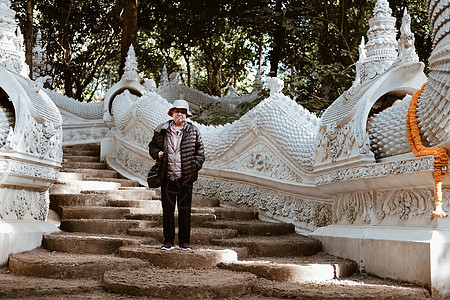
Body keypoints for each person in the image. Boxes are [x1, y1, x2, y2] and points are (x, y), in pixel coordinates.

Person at [148, 99, 205, 251]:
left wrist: (194, 167)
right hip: (167, 177)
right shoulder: (162, 129)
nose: (180, 114)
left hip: (185, 178)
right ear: (172, 113)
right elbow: (152, 146)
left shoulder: (193, 130)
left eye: (183, 111)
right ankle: (168, 242)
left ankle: (184, 242)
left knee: (185, 211)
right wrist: (157, 153)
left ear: (186, 115)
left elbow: (201, 153)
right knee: (167, 211)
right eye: (177, 111)